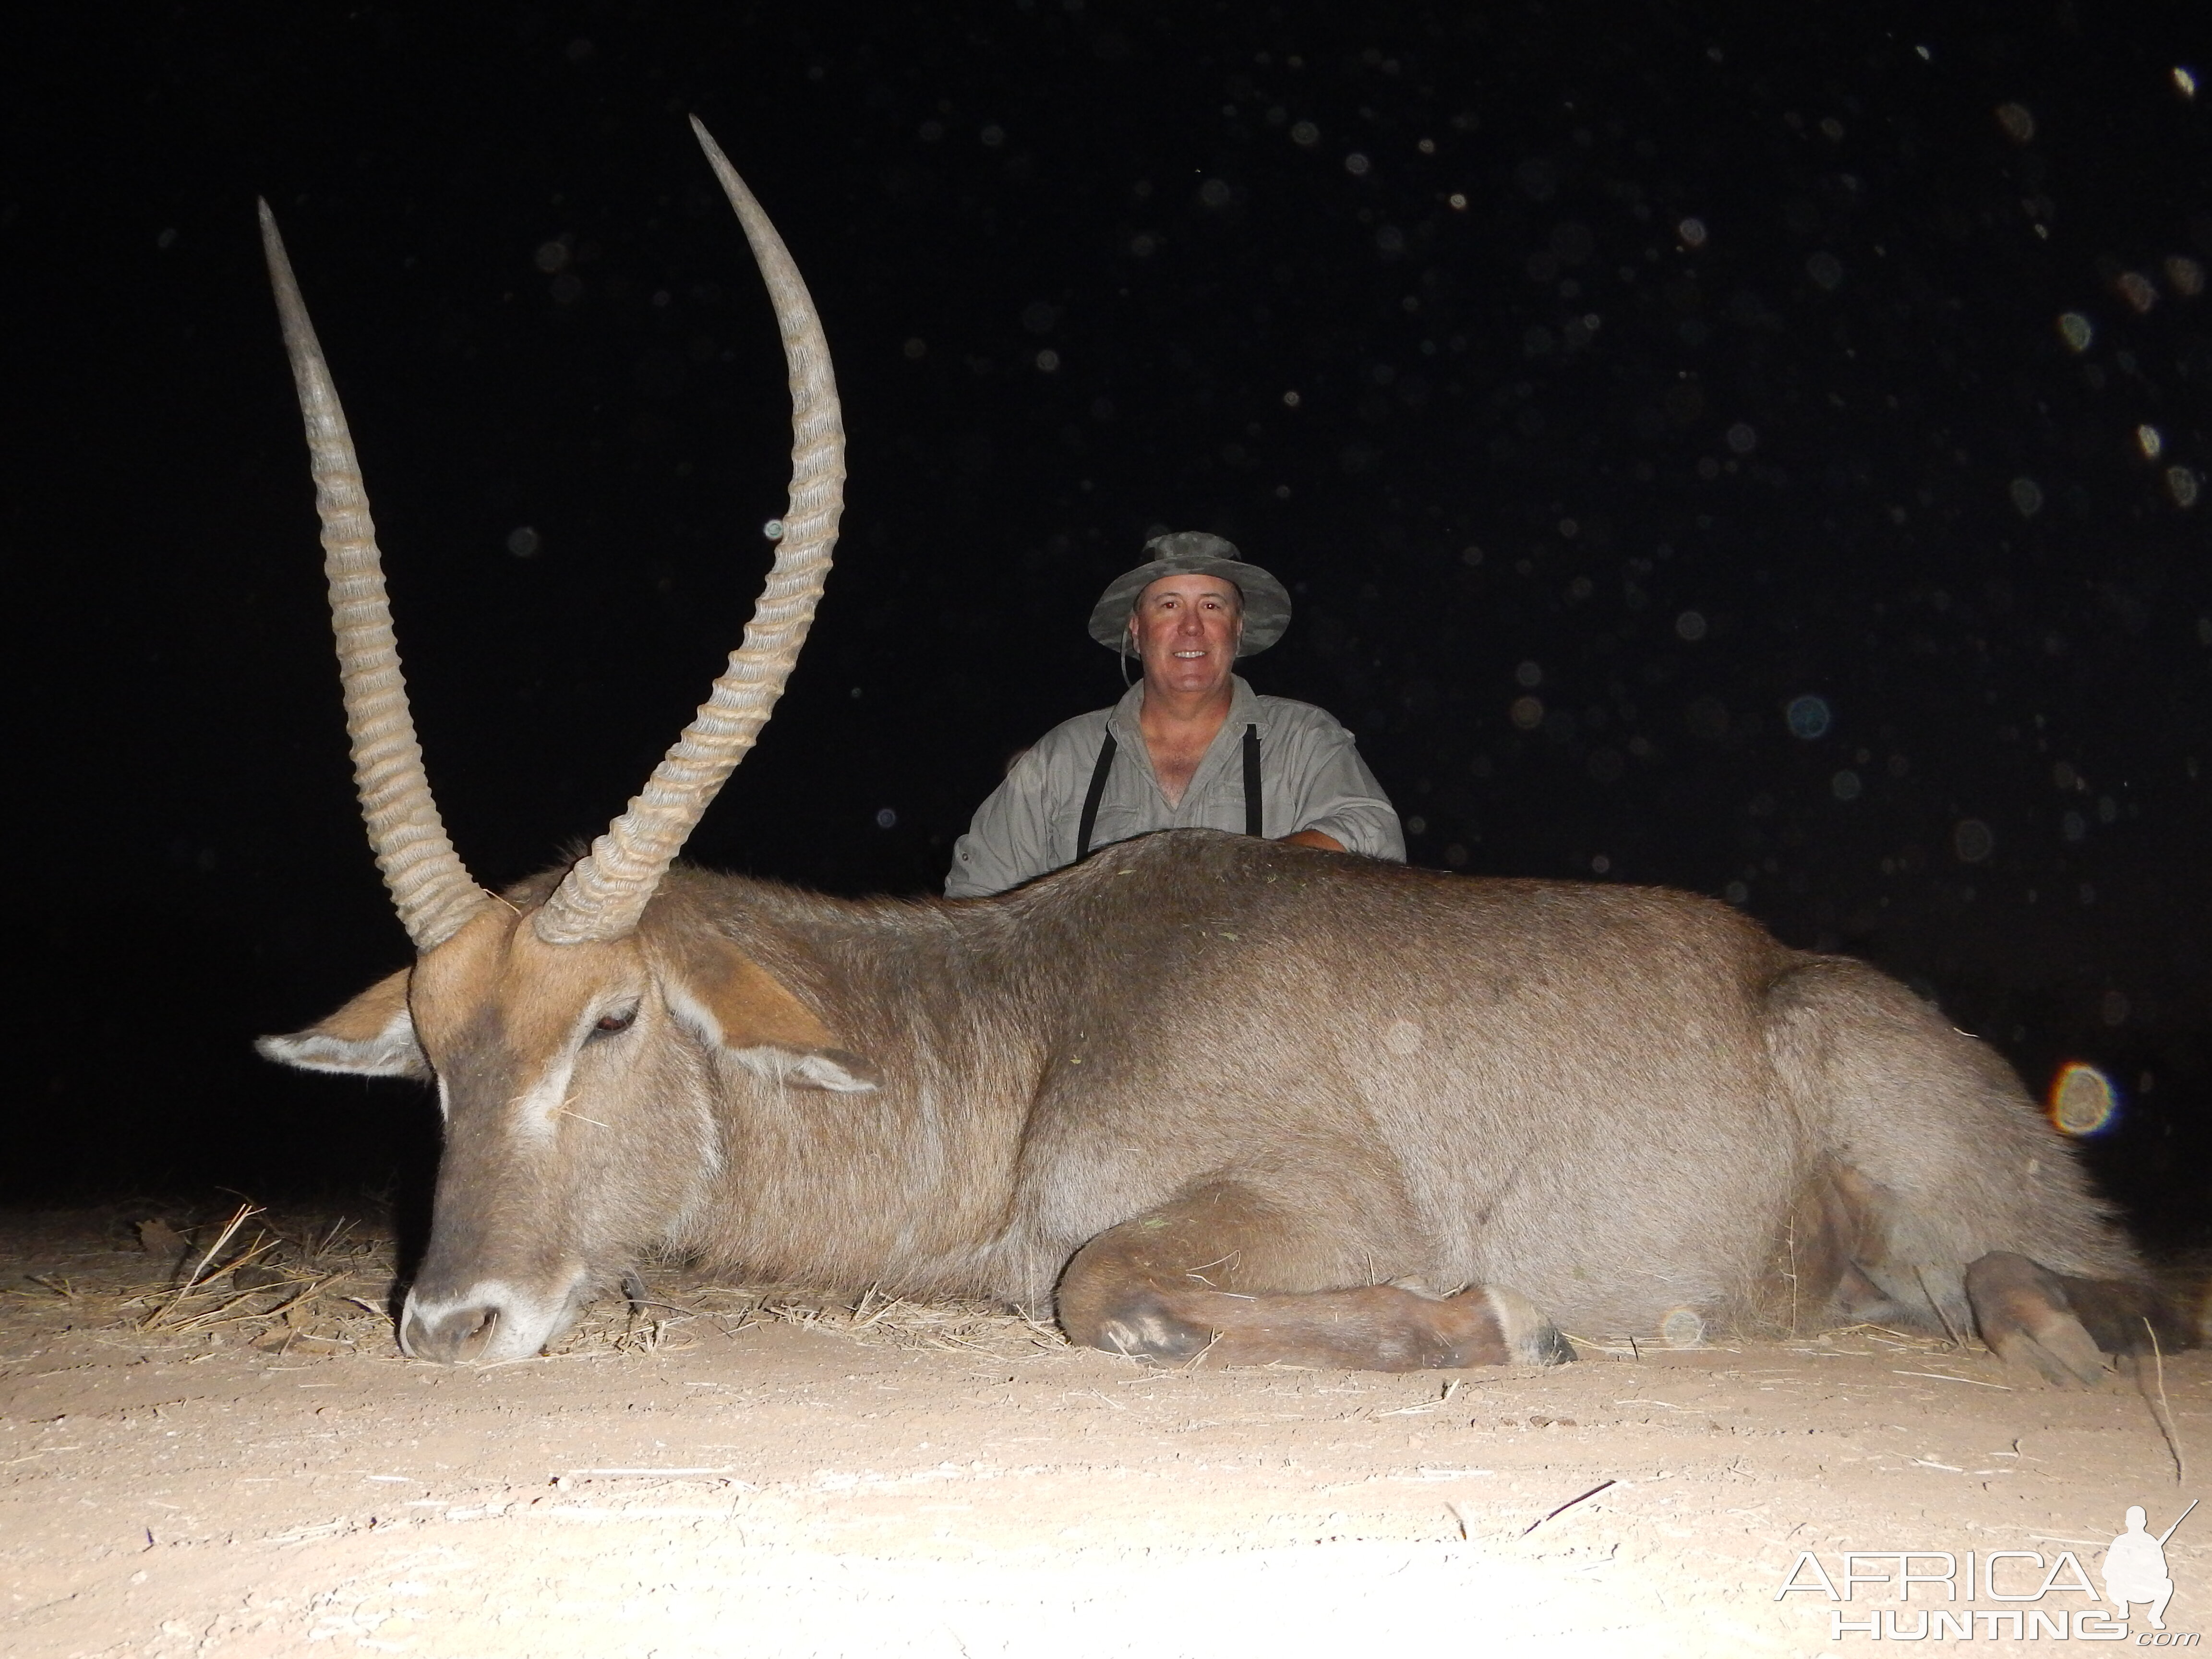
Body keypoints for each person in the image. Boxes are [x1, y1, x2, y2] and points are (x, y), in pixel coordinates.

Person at [946, 531, 1404, 897]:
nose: (1191, 626)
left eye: (1211, 605)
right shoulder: (1061, 757)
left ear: (1238, 630)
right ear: (1137, 629)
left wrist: (1226, 875)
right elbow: (976, 896)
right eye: (1169, 605)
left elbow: (1375, 834)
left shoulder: (1305, 737)